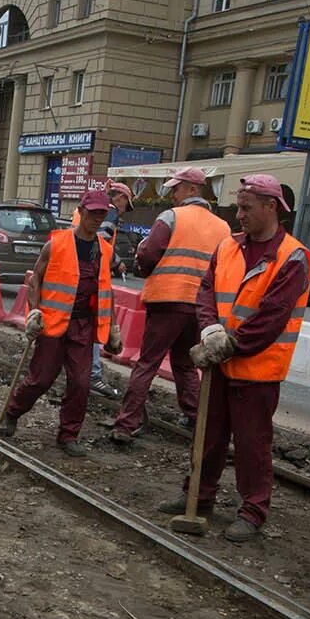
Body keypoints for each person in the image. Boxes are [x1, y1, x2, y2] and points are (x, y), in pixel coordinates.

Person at [156, 174, 310, 542]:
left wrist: (228, 345)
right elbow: (207, 291)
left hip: (256, 370)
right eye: (238, 207)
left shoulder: (292, 257)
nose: (238, 214)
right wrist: (209, 330)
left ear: (271, 207)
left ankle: (253, 511)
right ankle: (198, 494)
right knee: (207, 434)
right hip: (219, 362)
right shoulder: (228, 246)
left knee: (251, 443)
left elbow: (272, 318)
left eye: (246, 208)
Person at [109, 172, 233, 446]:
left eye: (176, 189)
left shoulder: (172, 217)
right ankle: (199, 420)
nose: (172, 195)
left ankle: (126, 424)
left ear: (191, 189)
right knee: (185, 364)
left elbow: (148, 253)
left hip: (167, 300)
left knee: (147, 363)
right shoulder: (223, 228)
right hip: (200, 307)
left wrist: (142, 268)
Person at [0, 189, 122, 456]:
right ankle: (12, 413)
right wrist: (34, 312)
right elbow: (36, 279)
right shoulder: (56, 244)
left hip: (84, 327)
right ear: (82, 211)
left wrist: (113, 326)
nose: (97, 219)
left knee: (81, 383)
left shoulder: (104, 251)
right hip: (53, 325)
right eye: (93, 213)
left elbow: (106, 290)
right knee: (40, 379)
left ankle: (68, 435)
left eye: (102, 213)